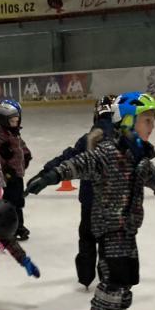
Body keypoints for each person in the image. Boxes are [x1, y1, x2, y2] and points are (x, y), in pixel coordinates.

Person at [27, 91, 155, 310]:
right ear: (128, 120)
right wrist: (50, 176)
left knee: (128, 278)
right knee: (112, 280)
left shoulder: (138, 154)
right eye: (147, 120)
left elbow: (149, 173)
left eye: (153, 121)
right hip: (109, 226)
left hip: (128, 227)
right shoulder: (107, 152)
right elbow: (78, 163)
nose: (152, 126)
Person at [41, 95, 116, 289]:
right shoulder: (121, 139)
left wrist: (47, 170)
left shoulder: (87, 139)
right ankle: (107, 278)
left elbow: (69, 157)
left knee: (87, 237)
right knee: (108, 240)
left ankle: (85, 276)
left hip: (90, 201)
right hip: (112, 201)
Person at [0, 99, 31, 240]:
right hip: (8, 175)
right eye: (13, 121)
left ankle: (18, 225)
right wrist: (6, 169)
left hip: (17, 173)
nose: (16, 123)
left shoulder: (13, 132)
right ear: (3, 119)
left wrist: (26, 153)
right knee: (11, 201)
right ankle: (11, 228)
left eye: (17, 120)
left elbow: (20, 144)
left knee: (18, 200)